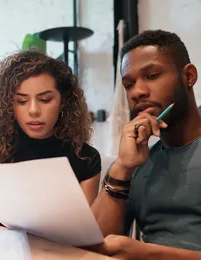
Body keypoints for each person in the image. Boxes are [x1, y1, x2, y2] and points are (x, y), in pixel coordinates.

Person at [91, 29, 201, 259]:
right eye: (129, 84)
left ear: (189, 76)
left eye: (152, 76)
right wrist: (122, 167)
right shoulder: (140, 161)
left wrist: (148, 254)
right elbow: (94, 246)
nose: (137, 92)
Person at [0, 49, 102, 224]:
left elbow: (86, 230)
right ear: (6, 105)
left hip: (59, 251)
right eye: (21, 101)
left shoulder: (85, 158)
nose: (34, 110)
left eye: (45, 100)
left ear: (63, 101)